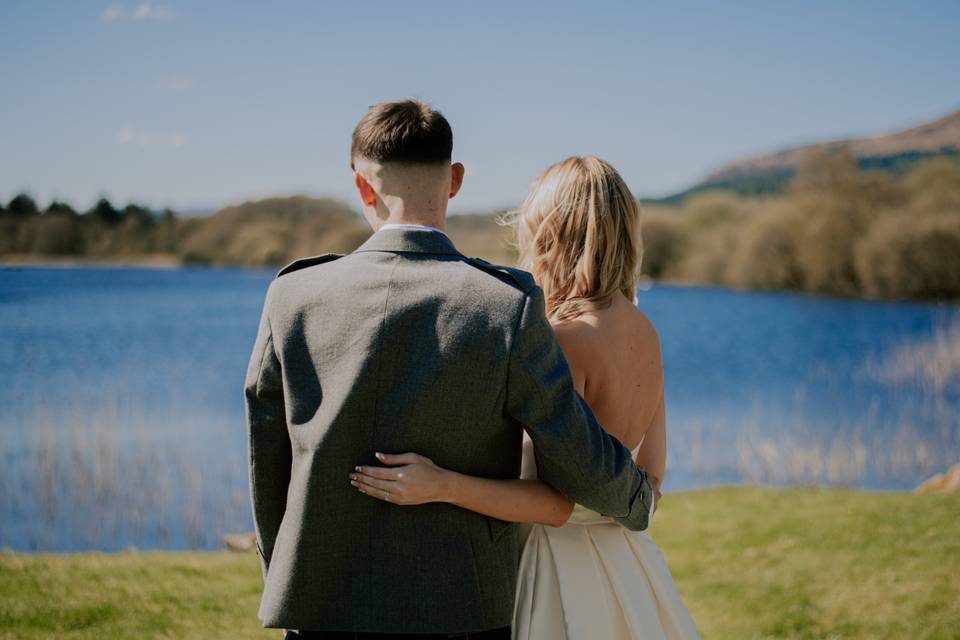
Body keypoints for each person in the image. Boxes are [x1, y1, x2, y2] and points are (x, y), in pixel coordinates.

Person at [244, 101, 654, 639]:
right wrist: (637, 499)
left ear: (363, 188)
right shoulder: (507, 306)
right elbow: (574, 452)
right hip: (462, 613)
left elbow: (268, 462)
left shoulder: (291, 296)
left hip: (320, 607)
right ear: (454, 180)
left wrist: (289, 575)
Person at [351, 156, 700, 639]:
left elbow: (552, 502)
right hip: (626, 565)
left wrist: (440, 484)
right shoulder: (646, 332)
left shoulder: (561, 340)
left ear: (552, 236)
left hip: (552, 572)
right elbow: (652, 480)